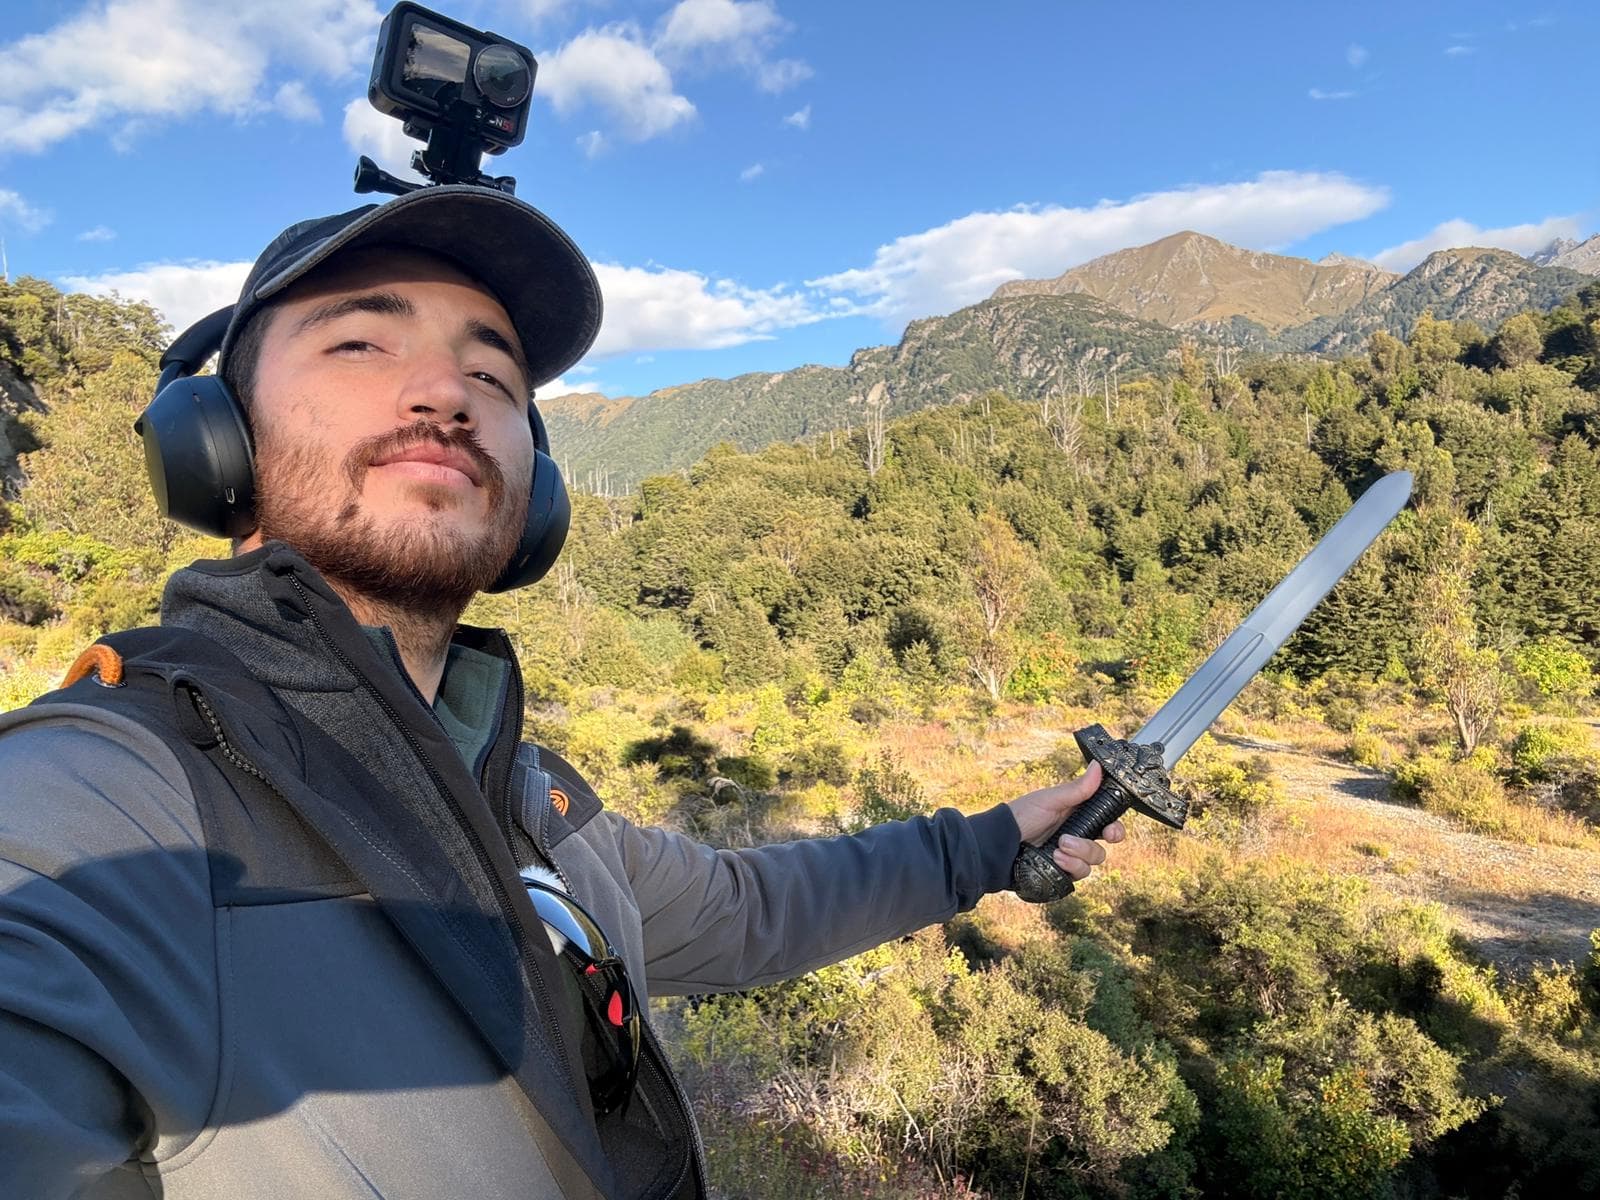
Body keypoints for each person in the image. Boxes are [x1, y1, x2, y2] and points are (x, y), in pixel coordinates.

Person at [0, 185, 1123, 1200]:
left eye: (493, 376)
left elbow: (743, 912)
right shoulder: (97, 811)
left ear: (533, 499)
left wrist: (987, 845)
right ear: (215, 443)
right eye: (357, 344)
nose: (445, 391)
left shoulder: (535, 802)